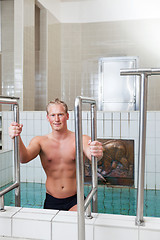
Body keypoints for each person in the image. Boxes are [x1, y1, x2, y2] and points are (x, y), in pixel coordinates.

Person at [9, 98, 103, 211]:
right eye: (53, 115)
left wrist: (96, 151)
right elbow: (23, 158)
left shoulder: (80, 139)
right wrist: (16, 137)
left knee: (76, 226)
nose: (57, 119)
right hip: (52, 199)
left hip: (75, 199)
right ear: (47, 118)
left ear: (67, 116)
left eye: (60, 114)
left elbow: (93, 156)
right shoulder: (40, 141)